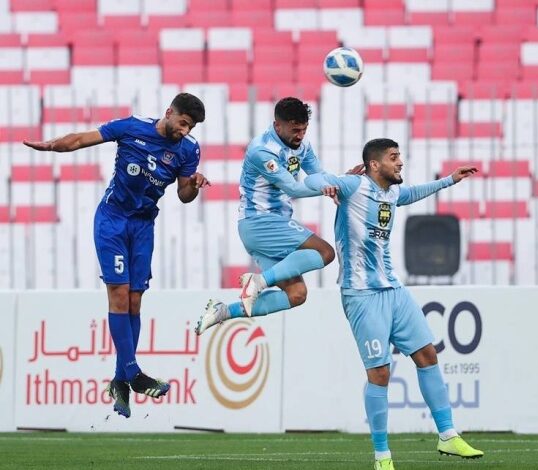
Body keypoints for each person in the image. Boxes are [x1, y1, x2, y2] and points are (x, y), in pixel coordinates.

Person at [23, 93, 210, 419]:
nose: (184, 130)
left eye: (190, 126)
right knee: (119, 295)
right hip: (112, 221)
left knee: (135, 301)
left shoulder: (189, 150)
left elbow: (183, 195)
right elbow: (82, 139)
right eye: (182, 123)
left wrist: (193, 184)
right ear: (169, 112)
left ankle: (121, 379)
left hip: (143, 227)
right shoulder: (131, 127)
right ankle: (133, 374)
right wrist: (51, 146)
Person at [303, 138, 483, 469]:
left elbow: (412, 193)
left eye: (400, 156)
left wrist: (450, 180)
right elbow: (312, 180)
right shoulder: (354, 185)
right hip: (361, 294)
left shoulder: (391, 193)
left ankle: (448, 435)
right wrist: (325, 185)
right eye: (393, 157)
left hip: (393, 290)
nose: (400, 162)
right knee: (380, 373)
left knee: (427, 354)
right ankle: (382, 456)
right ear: (375, 164)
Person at [195, 97, 342, 334]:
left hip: (268, 225)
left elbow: (319, 175)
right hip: (260, 221)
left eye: (304, 129)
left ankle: (223, 311)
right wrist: (326, 188)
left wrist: (341, 181)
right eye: (295, 130)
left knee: (296, 295)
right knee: (325, 252)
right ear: (277, 125)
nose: (300, 135)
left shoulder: (302, 146)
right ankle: (259, 282)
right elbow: (292, 188)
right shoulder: (262, 150)